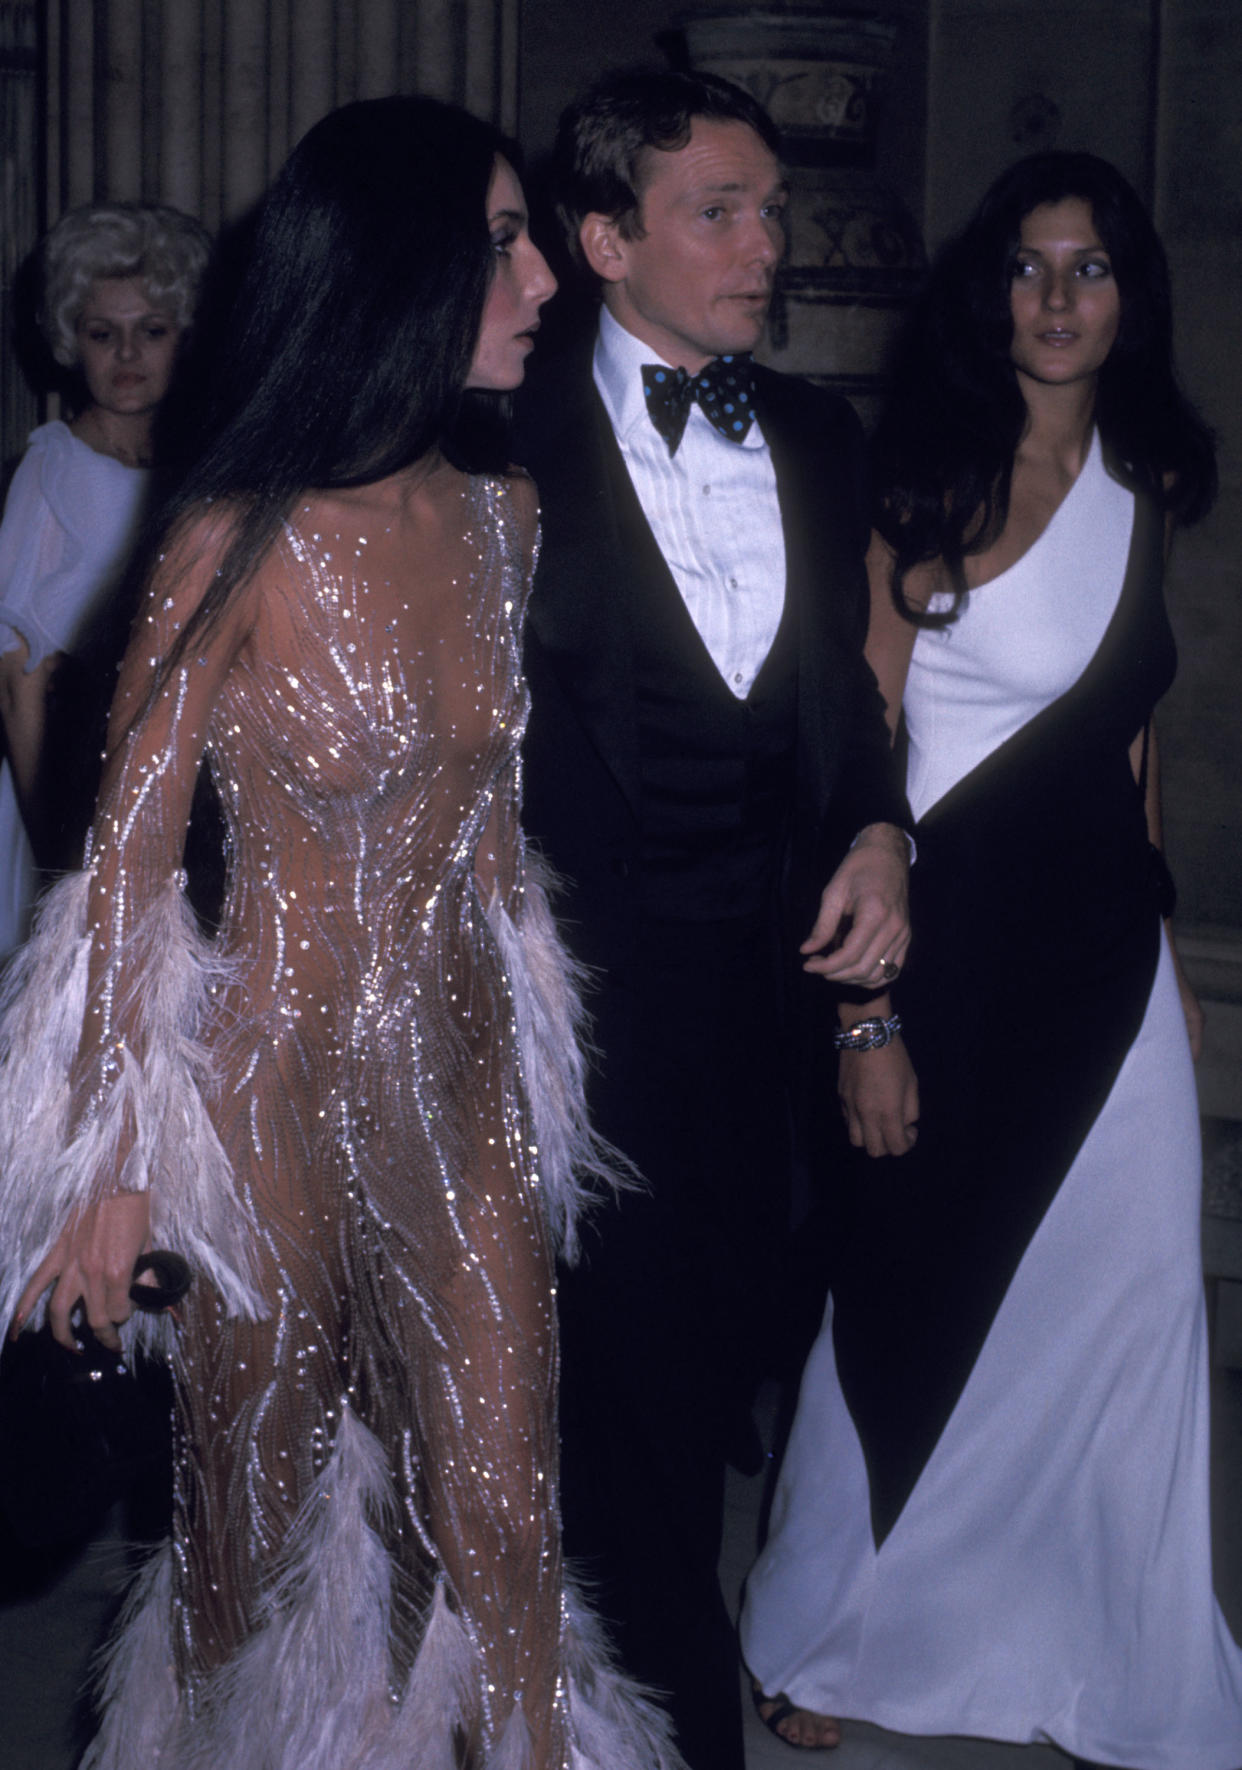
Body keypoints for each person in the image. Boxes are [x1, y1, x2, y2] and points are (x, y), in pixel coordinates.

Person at [0, 97, 682, 1770]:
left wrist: (533, 1080)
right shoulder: (234, 537)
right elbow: (125, 873)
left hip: (458, 1093)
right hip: (263, 1116)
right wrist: (109, 1168)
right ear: (404, 264)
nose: (539, 278)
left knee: (509, 1527)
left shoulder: (501, 518)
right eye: (507, 240)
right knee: (243, 1552)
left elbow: (502, 862)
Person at [741, 150, 1242, 1767]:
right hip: (937, 957)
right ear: (989, 289)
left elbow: (1127, 745)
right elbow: (854, 747)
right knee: (902, 1296)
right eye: (1028, 267)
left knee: (1132, 1299)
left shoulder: (1149, 485)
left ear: (1127, 297)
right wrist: (862, 1016)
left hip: (1102, 967)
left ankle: (1106, 1651)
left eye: (1087, 268)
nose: (1055, 298)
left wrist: (1157, 962)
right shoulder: (924, 482)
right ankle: (830, 1632)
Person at [515, 69, 911, 1770]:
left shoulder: (820, 438)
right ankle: (664, 1730)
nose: (771, 249)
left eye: (772, 213)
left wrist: (883, 837)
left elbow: (846, 710)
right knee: (626, 1419)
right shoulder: (487, 437)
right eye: (719, 214)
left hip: (761, 1015)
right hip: (562, 1018)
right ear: (603, 239)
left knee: (722, 1364)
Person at [0, 201, 209, 956]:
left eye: (151, 331)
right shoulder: (51, 471)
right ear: (70, 340)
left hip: (169, 789)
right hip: (67, 799)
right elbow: (18, 681)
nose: (127, 354)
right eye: (102, 334)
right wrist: (57, 848)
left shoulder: (196, 470)